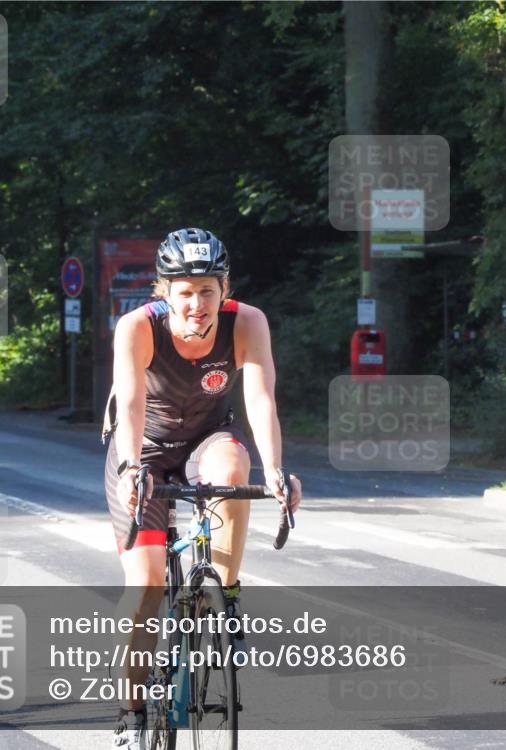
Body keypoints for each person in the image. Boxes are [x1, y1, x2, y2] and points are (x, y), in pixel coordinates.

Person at [103, 227, 302, 747]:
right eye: (184, 292)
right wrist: (130, 470)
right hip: (142, 449)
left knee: (234, 465)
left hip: (205, 440)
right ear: (163, 291)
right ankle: (131, 710)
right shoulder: (137, 327)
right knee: (144, 589)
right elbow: (128, 405)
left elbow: (261, 401)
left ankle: (223, 593)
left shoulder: (247, 322)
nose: (196, 304)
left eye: (207, 290)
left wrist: (277, 471)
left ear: (225, 288)